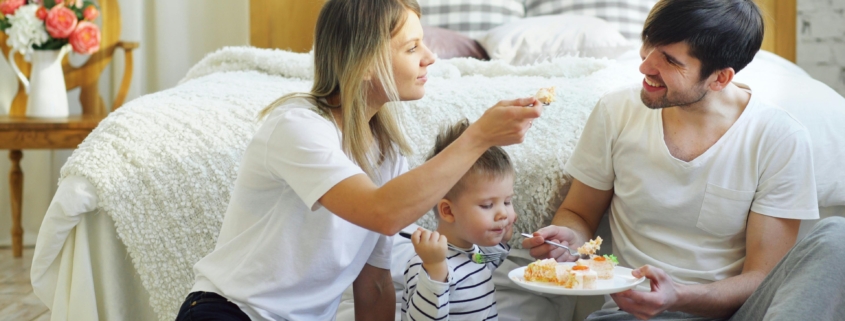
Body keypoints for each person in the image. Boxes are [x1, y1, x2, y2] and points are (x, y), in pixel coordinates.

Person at [174, 0, 543, 320]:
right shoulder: (297, 126)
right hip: (230, 311)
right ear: (367, 62)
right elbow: (382, 213)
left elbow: (375, 287)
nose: (430, 57)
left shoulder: (388, 155)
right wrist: (477, 138)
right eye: (412, 47)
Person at [522, 0, 845, 320]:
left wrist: (679, 296)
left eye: (670, 61)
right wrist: (570, 237)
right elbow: (578, 212)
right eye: (648, 45)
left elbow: (762, 278)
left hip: (739, 314)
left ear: (720, 78)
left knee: (837, 236)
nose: (645, 67)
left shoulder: (779, 137)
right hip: (634, 315)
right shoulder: (616, 111)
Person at [401, 120, 516, 320]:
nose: (503, 214)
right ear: (448, 211)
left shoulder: (474, 253)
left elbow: (490, 261)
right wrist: (436, 269)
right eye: (488, 205)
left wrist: (502, 243)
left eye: (507, 202)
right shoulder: (425, 265)